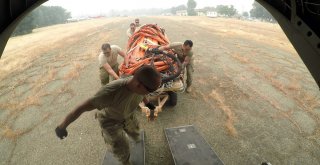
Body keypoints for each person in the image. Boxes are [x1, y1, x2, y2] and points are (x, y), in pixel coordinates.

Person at [55, 66, 161, 165]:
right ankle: (126, 162)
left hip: (128, 115)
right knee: (121, 148)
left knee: (135, 132)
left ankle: (135, 139)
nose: (151, 93)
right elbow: (80, 108)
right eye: (151, 90)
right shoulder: (110, 92)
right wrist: (62, 127)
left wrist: (147, 103)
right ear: (138, 85)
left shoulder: (138, 85)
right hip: (110, 122)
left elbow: (142, 93)